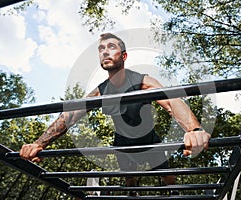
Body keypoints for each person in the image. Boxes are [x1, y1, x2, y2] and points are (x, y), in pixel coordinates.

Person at [20, 33, 211, 196]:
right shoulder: (101, 91)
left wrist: (194, 129)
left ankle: (176, 195)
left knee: (167, 174)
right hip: (123, 143)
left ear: (124, 55)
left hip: (149, 140)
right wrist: (39, 143)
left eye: (111, 47)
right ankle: (132, 194)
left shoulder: (142, 81)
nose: (104, 51)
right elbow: (70, 115)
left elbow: (171, 101)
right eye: (101, 48)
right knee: (130, 179)